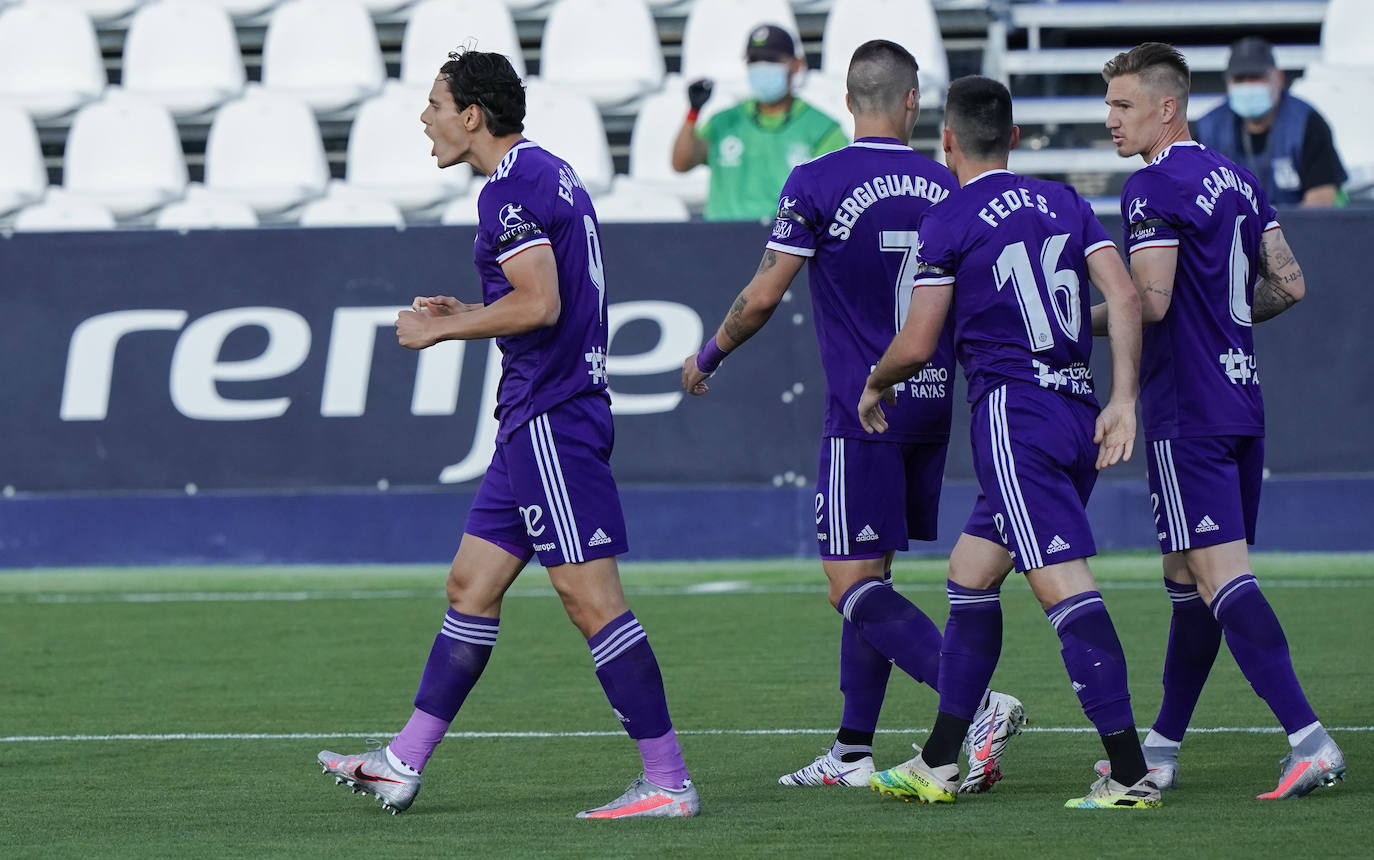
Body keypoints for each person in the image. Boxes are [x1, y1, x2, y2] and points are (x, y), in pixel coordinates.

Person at [316, 49, 699, 820]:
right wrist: (466, 313)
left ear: (471, 115)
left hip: (552, 419)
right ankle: (402, 762)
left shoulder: (509, 192)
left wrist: (438, 335)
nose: (424, 118)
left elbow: (539, 305)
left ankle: (668, 780)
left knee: (591, 601)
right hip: (535, 416)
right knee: (471, 585)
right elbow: (537, 297)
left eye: (434, 104)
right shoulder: (544, 172)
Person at [681, 41, 1025, 796]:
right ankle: (851, 750)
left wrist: (708, 353)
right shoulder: (948, 181)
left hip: (862, 408)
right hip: (932, 404)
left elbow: (765, 294)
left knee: (848, 584)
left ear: (846, 100)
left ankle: (974, 702)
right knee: (874, 575)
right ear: (911, 104)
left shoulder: (818, 179)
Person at [859, 75, 1161, 810]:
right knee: (970, 573)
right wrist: (1123, 400)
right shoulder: (1063, 200)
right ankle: (938, 761)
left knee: (1065, 588)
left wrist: (875, 382)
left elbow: (920, 339)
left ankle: (1129, 774)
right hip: (1073, 409)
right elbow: (1125, 297)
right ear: (1017, 139)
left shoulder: (950, 218)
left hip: (1013, 416)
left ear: (949, 142)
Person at [1101, 42, 1345, 800]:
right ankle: (1161, 749)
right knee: (1189, 580)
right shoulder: (1235, 178)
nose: (1110, 120)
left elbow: (1153, 302)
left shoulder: (1151, 188)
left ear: (1166, 106)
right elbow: (1290, 283)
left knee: (1219, 576)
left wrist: (1074, 323)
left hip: (1189, 410)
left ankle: (1310, 739)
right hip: (1241, 398)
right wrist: (1227, 323)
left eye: (1122, 105)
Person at [671, 23, 849, 221]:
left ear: (796, 65)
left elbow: (838, 194)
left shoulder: (821, 128)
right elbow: (681, 163)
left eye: (771, 59)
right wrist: (693, 112)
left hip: (787, 244)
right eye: (754, 60)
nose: (762, 67)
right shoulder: (724, 121)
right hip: (721, 241)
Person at [1194, 37, 1347, 207]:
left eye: (1256, 78)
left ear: (1279, 78)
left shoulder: (1306, 123)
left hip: (1294, 230)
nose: (1248, 86)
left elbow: (1322, 199)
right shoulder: (1209, 130)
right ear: (1228, 83)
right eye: (1239, 79)